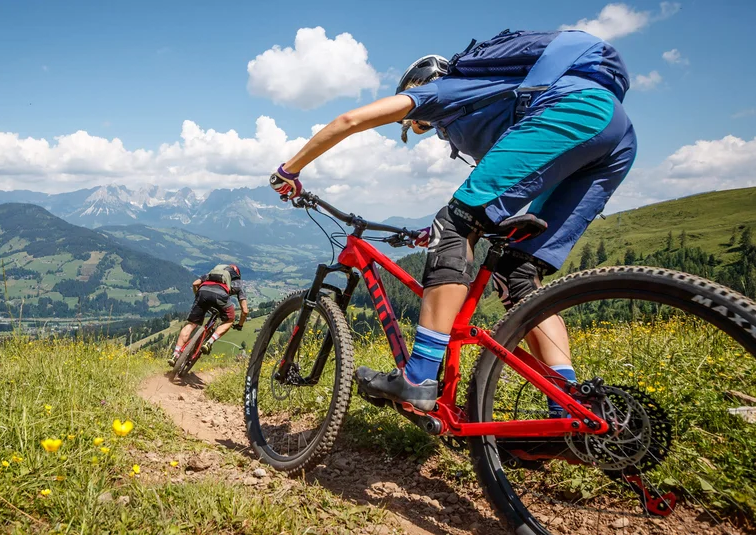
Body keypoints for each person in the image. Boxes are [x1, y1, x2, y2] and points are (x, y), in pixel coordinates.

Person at [269, 29, 636, 414]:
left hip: (574, 109)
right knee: (518, 274)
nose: (420, 127)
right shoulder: (494, 104)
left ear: (419, 83)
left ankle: (419, 376)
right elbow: (509, 184)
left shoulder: (442, 92)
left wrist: (288, 171)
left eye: (417, 124)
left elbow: (349, 120)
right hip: (615, 131)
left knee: (455, 222)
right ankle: (569, 409)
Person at [168, 263, 248, 365]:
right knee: (229, 320)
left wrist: (198, 297)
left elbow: (195, 284)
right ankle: (209, 342)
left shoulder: (213, 274)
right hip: (220, 297)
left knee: (191, 324)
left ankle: (175, 354)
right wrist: (240, 325)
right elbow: (245, 310)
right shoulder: (239, 284)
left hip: (202, 293)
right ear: (237, 274)